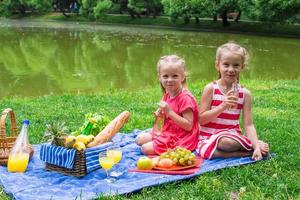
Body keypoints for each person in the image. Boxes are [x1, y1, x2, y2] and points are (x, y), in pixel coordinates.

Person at [197, 42, 269, 161]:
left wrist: (255, 143)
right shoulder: (211, 89)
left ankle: (254, 146)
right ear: (217, 65)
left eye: (236, 65)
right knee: (210, 152)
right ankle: (249, 151)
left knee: (226, 143)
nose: (231, 69)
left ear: (242, 67)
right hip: (207, 137)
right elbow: (201, 120)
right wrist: (222, 106)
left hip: (230, 136)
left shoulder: (245, 94)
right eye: (226, 64)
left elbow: (248, 125)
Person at [136, 55, 199, 155]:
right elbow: (162, 120)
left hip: (182, 136)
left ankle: (166, 147)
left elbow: (188, 126)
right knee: (139, 139)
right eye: (165, 76)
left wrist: (169, 112)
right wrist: (160, 114)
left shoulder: (185, 98)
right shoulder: (167, 94)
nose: (169, 80)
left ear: (182, 77)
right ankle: (159, 141)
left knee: (145, 148)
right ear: (159, 77)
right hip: (168, 131)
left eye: (174, 76)